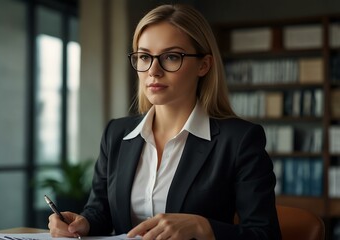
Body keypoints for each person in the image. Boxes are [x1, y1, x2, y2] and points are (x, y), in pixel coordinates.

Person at [48, 3, 282, 240]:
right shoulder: (116, 133)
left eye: (171, 57)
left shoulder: (239, 140)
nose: (153, 71)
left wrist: (203, 228)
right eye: (144, 57)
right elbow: (101, 212)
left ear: (204, 65)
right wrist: (83, 223)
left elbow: (265, 234)